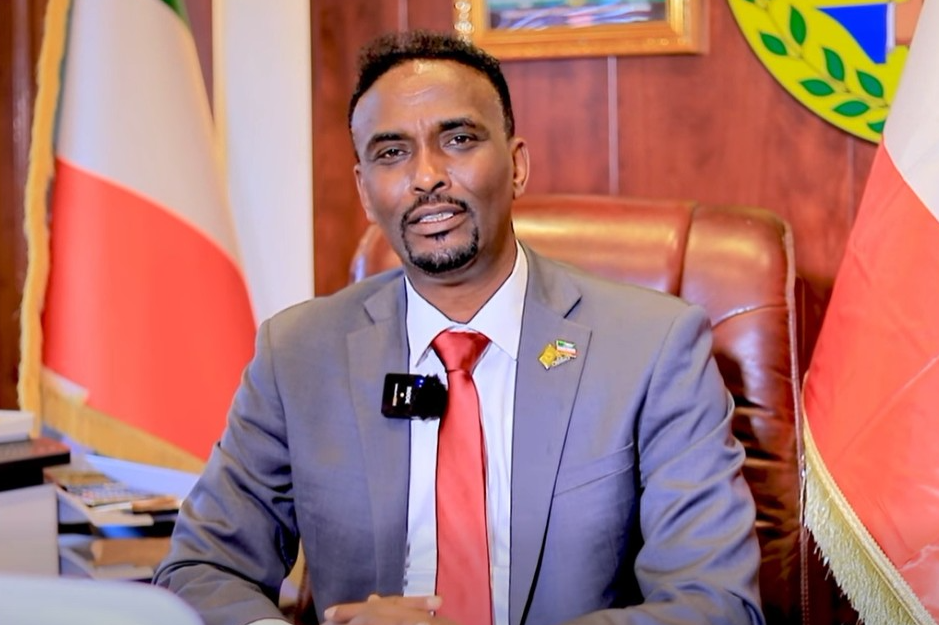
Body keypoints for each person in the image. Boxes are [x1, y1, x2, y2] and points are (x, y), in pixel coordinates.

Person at [154, 30, 765, 625]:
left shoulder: (653, 348)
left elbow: (715, 603)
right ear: (365, 191)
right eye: (392, 153)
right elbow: (201, 568)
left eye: (458, 139)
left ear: (517, 166)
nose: (426, 177)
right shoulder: (297, 355)